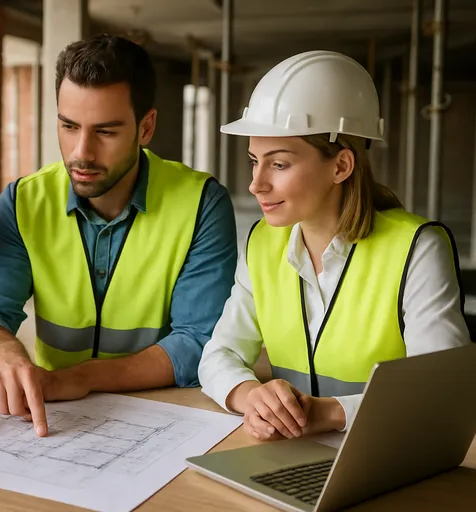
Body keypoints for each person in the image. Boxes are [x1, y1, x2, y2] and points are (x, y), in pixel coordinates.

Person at [0, 34, 238, 437]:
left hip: (166, 416)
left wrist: (81, 377)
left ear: (146, 127)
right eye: (68, 126)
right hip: (55, 422)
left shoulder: (201, 202)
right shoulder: (23, 201)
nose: (81, 152)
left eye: (105, 132)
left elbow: (197, 343)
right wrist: (2, 355)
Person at [198, 50, 470, 442]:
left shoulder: (417, 249)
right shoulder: (262, 244)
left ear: (341, 166)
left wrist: (333, 412)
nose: (256, 184)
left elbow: (441, 391)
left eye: (279, 164)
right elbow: (218, 355)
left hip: (386, 454)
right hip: (290, 455)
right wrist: (250, 395)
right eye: (254, 161)